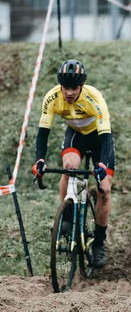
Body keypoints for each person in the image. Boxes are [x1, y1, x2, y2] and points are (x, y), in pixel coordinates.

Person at [32, 59, 115, 268]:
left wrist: (103, 166)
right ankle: (67, 216)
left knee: (104, 190)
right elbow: (43, 134)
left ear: (81, 86)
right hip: (76, 135)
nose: (69, 93)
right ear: (60, 86)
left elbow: (106, 137)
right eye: (65, 88)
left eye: (74, 88)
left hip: (99, 139)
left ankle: (98, 243)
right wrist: (39, 160)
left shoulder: (94, 98)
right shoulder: (52, 98)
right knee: (69, 167)